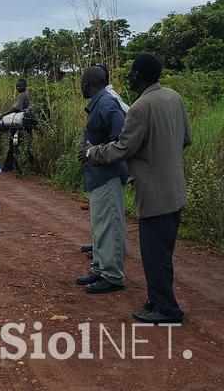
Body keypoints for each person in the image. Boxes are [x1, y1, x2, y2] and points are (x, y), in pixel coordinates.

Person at [84, 54, 192, 324]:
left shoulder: (141, 106)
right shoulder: (173, 97)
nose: (129, 76)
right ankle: (157, 298)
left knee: (154, 253)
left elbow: (124, 147)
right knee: (163, 250)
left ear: (139, 75)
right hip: (175, 187)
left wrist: (93, 153)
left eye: (132, 72)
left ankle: (168, 310)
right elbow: (186, 138)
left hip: (153, 191)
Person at [74, 66, 129, 295]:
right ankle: (100, 268)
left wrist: (94, 153)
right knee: (100, 226)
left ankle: (112, 275)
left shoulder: (106, 103)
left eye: (81, 81)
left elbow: (122, 138)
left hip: (108, 174)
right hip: (98, 176)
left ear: (87, 82)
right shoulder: (100, 102)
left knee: (109, 226)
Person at [0, 79, 32, 171]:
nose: (18, 88)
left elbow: (15, 108)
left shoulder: (22, 95)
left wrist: (2, 115)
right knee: (24, 144)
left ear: (25, 86)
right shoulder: (29, 94)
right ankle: (24, 165)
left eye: (20, 86)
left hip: (20, 124)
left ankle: (9, 166)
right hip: (28, 123)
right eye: (17, 86)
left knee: (13, 144)